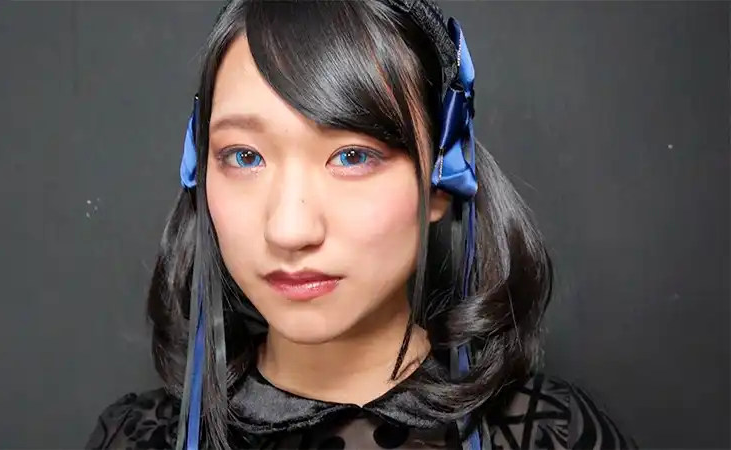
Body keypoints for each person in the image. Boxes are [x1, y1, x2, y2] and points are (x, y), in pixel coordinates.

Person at [86, 0, 635, 449]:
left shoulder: (550, 436)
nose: (290, 229)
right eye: (245, 157)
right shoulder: (136, 439)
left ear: (442, 177)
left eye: (353, 156)